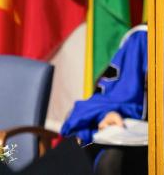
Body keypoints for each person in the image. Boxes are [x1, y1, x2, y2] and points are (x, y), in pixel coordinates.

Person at [60, 25, 148, 175]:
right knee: (109, 159)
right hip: (141, 134)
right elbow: (120, 94)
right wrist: (107, 114)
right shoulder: (142, 38)